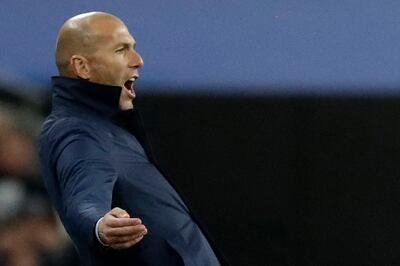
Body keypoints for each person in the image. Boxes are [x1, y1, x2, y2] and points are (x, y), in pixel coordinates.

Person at [38, 12, 226, 266]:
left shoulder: (108, 127)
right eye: (121, 50)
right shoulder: (77, 131)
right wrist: (100, 227)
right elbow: (84, 198)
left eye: (133, 48)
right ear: (82, 67)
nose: (138, 60)